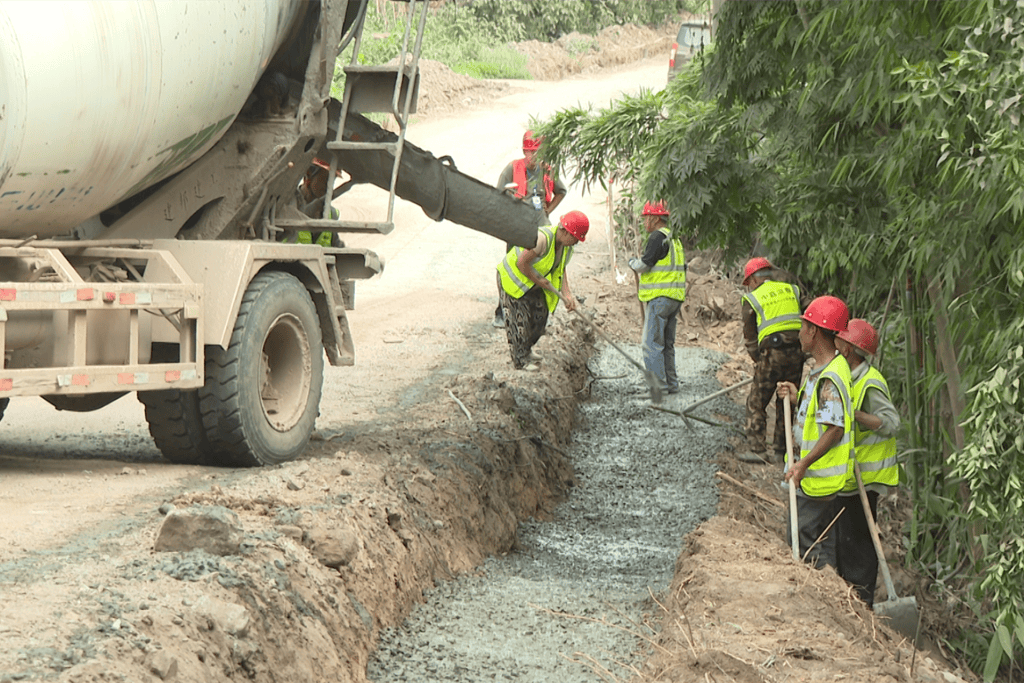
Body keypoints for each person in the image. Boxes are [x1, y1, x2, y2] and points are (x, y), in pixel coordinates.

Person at [776, 295, 854, 570]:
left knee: (803, 543)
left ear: (814, 331)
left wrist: (802, 464)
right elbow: (820, 414)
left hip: (815, 480)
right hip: (818, 478)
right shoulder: (825, 370)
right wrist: (797, 397)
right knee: (824, 542)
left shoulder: (829, 377)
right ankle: (833, 597)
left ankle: (817, 599)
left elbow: (834, 429)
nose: (799, 334)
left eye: (803, 327)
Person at [834, 319, 900, 608]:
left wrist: (858, 415)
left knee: (860, 543)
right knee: (846, 540)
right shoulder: (848, 376)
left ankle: (863, 602)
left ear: (848, 348)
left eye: (840, 340)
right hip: (850, 476)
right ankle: (849, 597)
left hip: (867, 477)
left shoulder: (870, 383)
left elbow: (892, 423)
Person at [492, 130, 567, 327]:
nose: (534, 157)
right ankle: (502, 311)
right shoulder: (512, 168)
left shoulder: (547, 169)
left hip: (540, 223)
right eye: (530, 152)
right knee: (511, 266)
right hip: (517, 224)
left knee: (545, 265)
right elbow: (498, 195)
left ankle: (541, 313)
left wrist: (548, 210)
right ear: (524, 151)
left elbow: (561, 191)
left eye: (538, 152)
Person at [497, 210, 587, 371]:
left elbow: (560, 269)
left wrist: (567, 294)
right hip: (513, 280)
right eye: (575, 238)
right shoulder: (541, 239)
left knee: (539, 318)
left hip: (533, 283)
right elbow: (521, 263)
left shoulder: (566, 247)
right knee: (519, 321)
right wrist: (539, 280)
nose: (575, 243)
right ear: (565, 231)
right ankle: (520, 360)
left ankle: (527, 349)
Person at [739, 257, 806, 463]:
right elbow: (809, 312)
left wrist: (759, 360)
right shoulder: (792, 290)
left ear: (753, 280)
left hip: (772, 353)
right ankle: (780, 451)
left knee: (757, 401)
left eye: (748, 283)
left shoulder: (753, 299)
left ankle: (757, 449)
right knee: (787, 398)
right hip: (798, 351)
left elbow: (750, 338)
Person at [628, 201, 687, 394]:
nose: (645, 221)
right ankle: (671, 384)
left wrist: (632, 263)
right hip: (675, 298)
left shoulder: (657, 237)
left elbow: (645, 264)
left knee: (651, 344)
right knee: (666, 344)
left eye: (646, 217)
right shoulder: (675, 239)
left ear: (655, 218)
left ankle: (658, 387)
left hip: (659, 297)